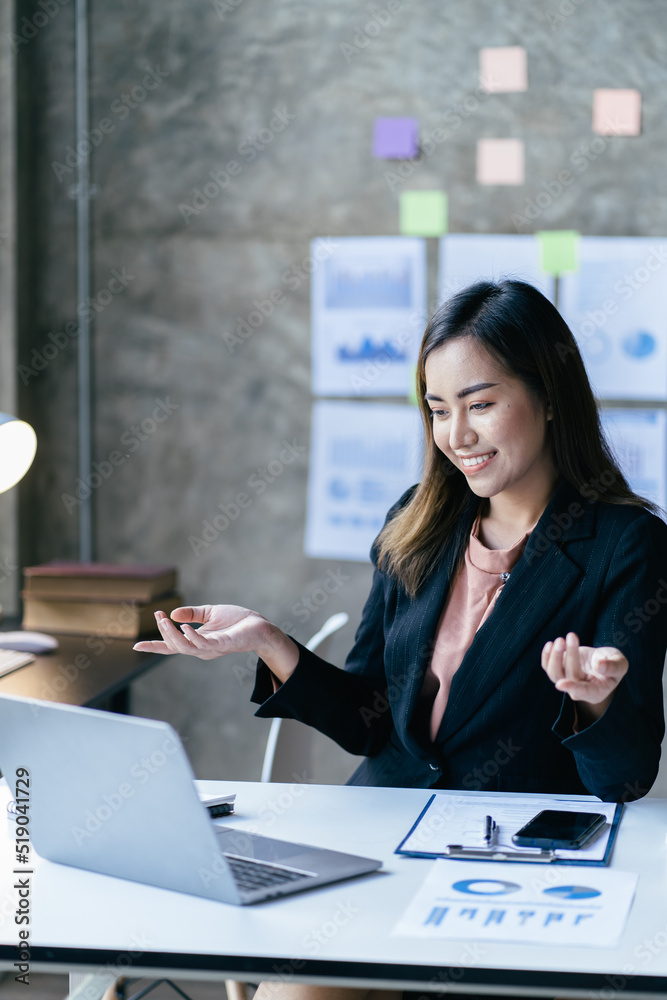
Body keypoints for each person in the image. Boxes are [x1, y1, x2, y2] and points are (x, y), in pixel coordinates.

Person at [133, 278, 667, 1000]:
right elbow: (370, 723)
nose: (457, 435)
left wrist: (595, 704)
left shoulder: (625, 543)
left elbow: (624, 781)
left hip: (506, 876)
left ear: (548, 395)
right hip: (380, 844)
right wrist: (270, 644)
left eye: (479, 405)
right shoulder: (414, 525)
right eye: (438, 410)